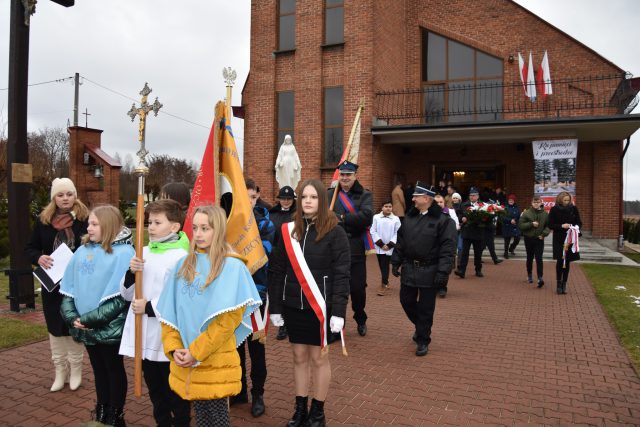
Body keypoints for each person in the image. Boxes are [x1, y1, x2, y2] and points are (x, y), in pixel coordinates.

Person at [156, 205, 261, 427]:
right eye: (195, 228)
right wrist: (175, 349)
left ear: (219, 229)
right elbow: (169, 315)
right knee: (202, 417)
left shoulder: (232, 267)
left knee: (217, 418)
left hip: (215, 361)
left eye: (206, 228)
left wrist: (196, 352)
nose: (199, 233)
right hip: (186, 356)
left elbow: (226, 323)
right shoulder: (183, 265)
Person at [268, 179, 350, 427]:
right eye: (304, 197)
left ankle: (318, 412)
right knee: (298, 356)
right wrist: (276, 308)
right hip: (294, 306)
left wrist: (339, 311)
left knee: (319, 358)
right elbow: (277, 269)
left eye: (313, 197)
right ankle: (300, 409)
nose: (308, 201)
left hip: (321, 308)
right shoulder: (288, 230)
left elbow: (342, 273)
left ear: (321, 201)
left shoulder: (335, 231)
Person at [59, 205, 135, 426]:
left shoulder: (124, 253)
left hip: (108, 326)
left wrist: (88, 319)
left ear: (109, 225)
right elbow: (68, 289)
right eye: (89, 223)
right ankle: (102, 410)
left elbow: (121, 297)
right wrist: (72, 316)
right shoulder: (82, 251)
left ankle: (115, 415)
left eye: (94, 224)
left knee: (113, 368)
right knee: (98, 369)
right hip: (84, 324)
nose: (88, 228)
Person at [119, 199, 191, 426]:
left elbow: (183, 296)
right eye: (149, 222)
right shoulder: (144, 251)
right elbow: (126, 294)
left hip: (168, 334)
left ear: (174, 227)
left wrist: (149, 307)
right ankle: (162, 422)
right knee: (155, 389)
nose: (150, 227)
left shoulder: (182, 257)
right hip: (145, 333)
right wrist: (131, 274)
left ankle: (181, 422)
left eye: (157, 222)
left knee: (174, 389)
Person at [25, 177, 89, 393]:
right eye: (60, 195)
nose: (65, 198)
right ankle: (60, 372)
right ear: (54, 197)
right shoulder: (43, 220)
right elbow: (30, 248)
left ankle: (76, 370)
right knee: (54, 326)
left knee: (73, 324)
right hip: (52, 284)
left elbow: (95, 246)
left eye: (69, 194)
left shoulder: (85, 219)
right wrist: (39, 258)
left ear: (75, 196)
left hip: (77, 284)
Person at [391, 182, 456, 356]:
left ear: (426, 198)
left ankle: (422, 339)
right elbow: (401, 242)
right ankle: (421, 326)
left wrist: (443, 272)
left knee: (426, 308)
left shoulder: (444, 221)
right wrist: (396, 261)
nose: (412, 199)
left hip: (431, 270)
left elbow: (448, 249)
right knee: (406, 301)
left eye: (416, 196)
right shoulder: (409, 219)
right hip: (410, 267)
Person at [232, 179, 275, 417]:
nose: (250, 201)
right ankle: (239, 391)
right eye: (245, 197)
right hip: (233, 295)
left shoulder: (265, 222)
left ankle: (258, 393)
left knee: (256, 348)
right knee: (236, 345)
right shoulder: (228, 221)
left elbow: (264, 252)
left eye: (253, 197)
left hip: (257, 292)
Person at [327, 160, 373, 336]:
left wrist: (342, 218)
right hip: (333, 248)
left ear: (355, 176)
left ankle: (360, 318)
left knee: (357, 289)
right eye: (342, 174)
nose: (345, 178)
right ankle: (338, 324)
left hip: (355, 249)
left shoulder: (365, 195)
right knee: (336, 288)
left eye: (349, 174)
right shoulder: (329, 194)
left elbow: (367, 217)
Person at [269, 185, 297, 341]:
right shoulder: (272, 214)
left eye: (289, 199)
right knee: (277, 291)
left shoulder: (298, 214)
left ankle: (291, 322)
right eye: (283, 198)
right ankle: (282, 325)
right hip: (276, 259)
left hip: (293, 258)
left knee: (290, 291)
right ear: (278, 199)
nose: (286, 201)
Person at [548, 192, 582, 295]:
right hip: (559, 238)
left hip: (570, 238)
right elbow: (550, 224)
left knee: (567, 262)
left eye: (568, 200)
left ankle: (564, 284)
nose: (567, 202)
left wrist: (575, 228)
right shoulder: (554, 210)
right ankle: (558, 284)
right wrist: (562, 226)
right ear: (560, 200)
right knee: (560, 261)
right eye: (565, 200)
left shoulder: (574, 209)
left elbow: (579, 222)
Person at [370, 201, 401, 296]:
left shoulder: (396, 219)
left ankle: (384, 284)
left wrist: (390, 244)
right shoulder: (376, 217)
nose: (388, 208)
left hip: (389, 247)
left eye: (390, 206)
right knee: (381, 264)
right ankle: (386, 281)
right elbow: (373, 230)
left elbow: (398, 232)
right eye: (386, 206)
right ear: (382, 207)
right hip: (379, 246)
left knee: (385, 265)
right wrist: (381, 244)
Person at [518, 196, 550, 287]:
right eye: (534, 202)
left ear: (541, 203)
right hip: (529, 238)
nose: (536, 204)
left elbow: (548, 226)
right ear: (531, 203)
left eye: (538, 202)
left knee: (539, 258)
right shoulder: (526, 213)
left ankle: (540, 277)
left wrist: (543, 234)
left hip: (539, 239)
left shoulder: (545, 214)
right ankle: (529, 275)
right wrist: (531, 224)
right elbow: (520, 225)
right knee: (529, 257)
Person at [455, 187, 485, 278]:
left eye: (474, 195)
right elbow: (458, 214)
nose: (472, 197)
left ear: (477, 196)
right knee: (464, 253)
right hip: (467, 232)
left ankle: (478, 270)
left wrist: (483, 219)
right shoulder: (464, 205)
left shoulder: (482, 205)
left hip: (477, 232)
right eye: (470, 195)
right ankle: (462, 271)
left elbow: (487, 217)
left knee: (478, 253)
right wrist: (461, 218)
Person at [434, 194, 459, 298]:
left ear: (444, 203)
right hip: (434, 244)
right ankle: (434, 285)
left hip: (447, 242)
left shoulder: (450, 212)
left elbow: (457, 225)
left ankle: (442, 288)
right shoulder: (430, 214)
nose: (439, 204)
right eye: (436, 202)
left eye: (441, 202)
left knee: (444, 266)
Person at [502, 194, 521, 259]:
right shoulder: (505, 207)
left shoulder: (517, 208)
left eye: (512, 200)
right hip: (507, 226)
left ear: (514, 201)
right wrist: (510, 220)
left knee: (517, 239)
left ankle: (511, 248)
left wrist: (515, 220)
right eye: (510, 200)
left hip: (514, 226)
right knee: (507, 241)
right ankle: (506, 253)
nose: (510, 201)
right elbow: (502, 217)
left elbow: (518, 216)